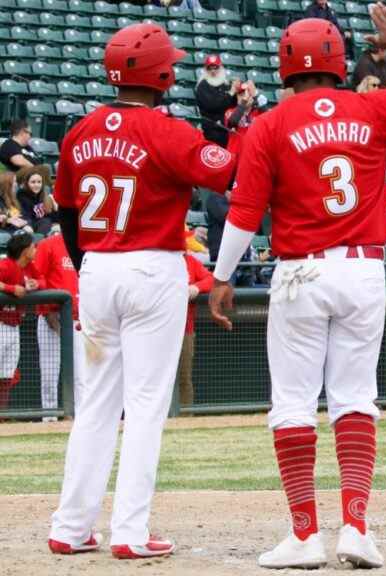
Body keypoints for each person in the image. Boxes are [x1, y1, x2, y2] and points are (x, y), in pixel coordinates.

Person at [208, 6, 386, 569]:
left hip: (301, 272)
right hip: (363, 268)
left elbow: (244, 210)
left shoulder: (271, 123)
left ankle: (303, 534)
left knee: (293, 404)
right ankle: (357, 528)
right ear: (339, 62)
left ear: (285, 65)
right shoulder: (371, 106)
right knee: (355, 399)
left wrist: (221, 276)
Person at [48, 23, 237, 560]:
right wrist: (234, 127)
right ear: (162, 74)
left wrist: (87, 264)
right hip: (152, 267)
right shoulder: (166, 129)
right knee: (146, 406)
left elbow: (63, 210)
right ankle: (130, 532)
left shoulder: (80, 130)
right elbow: (225, 174)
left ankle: (70, 526)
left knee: (95, 406)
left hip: (97, 268)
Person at [34, 232, 85, 420]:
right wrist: (47, 312)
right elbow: (37, 278)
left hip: (79, 320)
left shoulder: (85, 245)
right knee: (49, 374)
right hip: (52, 318)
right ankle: (49, 418)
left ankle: (81, 418)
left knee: (82, 375)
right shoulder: (49, 244)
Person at [0, 232, 39, 410]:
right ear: (24, 250)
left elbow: (42, 279)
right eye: (32, 246)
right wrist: (11, 288)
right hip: (0, 324)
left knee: (7, 375)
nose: (35, 249)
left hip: (14, 326)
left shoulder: (29, 267)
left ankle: (2, 415)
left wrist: (36, 284)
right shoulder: (6, 265)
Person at [178, 252, 214, 407]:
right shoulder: (153, 259)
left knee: (184, 377)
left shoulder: (189, 260)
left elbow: (211, 279)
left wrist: (196, 287)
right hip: (153, 331)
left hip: (184, 330)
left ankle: (185, 419)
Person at [195, 54, 239, 146]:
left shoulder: (225, 84)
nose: (213, 71)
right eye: (210, 68)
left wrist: (236, 91)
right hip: (211, 130)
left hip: (226, 128)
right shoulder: (203, 85)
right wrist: (231, 93)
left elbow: (233, 104)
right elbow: (213, 105)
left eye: (216, 68)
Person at [16, 165, 56, 235]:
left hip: (44, 223)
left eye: (39, 182)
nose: (36, 185)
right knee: (45, 221)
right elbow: (26, 215)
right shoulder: (22, 195)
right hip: (31, 225)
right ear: (27, 183)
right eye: (33, 182)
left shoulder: (43, 194)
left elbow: (50, 215)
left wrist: (55, 207)